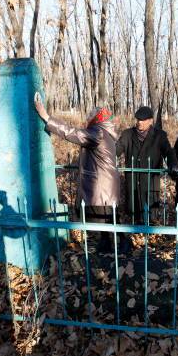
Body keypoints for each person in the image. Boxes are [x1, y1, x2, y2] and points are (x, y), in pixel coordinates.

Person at [34, 92, 129, 253]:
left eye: (90, 116)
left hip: (101, 183)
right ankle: (106, 243)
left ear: (97, 118)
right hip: (105, 182)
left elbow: (73, 133)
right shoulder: (105, 132)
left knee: (108, 217)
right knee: (106, 215)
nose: (87, 119)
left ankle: (125, 243)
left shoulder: (97, 132)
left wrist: (47, 118)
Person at [116, 106, 178, 224]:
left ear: (150, 121)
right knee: (133, 213)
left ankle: (148, 235)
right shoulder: (127, 134)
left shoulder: (159, 136)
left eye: (143, 120)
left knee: (150, 212)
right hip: (133, 180)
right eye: (138, 119)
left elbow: (169, 152)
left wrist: (173, 164)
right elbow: (116, 151)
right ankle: (134, 234)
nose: (140, 122)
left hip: (150, 181)